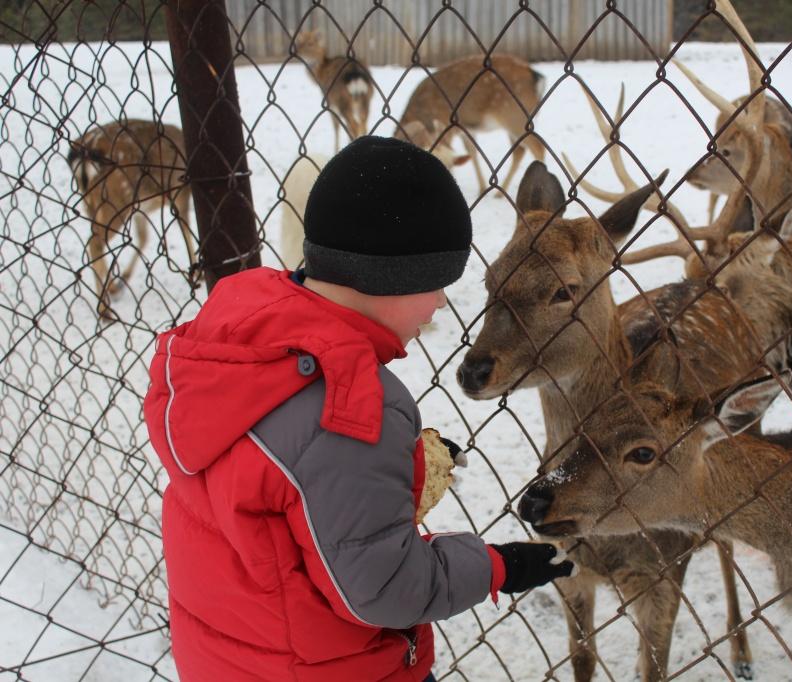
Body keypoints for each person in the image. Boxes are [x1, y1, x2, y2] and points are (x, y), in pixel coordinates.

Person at [143, 136, 574, 682]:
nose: (442, 302)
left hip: (234, 657)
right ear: (392, 277)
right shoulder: (352, 406)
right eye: (436, 283)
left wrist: (407, 462)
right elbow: (385, 589)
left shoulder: (237, 349)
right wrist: (498, 566)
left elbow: (294, 487)